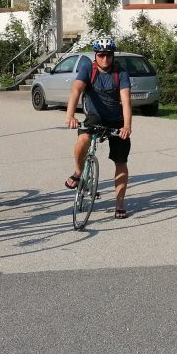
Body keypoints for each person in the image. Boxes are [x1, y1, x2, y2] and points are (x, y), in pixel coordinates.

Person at [65, 35, 133, 218]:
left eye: (108, 55)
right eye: (101, 55)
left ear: (113, 56)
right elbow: (76, 90)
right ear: (96, 55)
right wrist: (70, 115)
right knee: (83, 139)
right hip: (94, 117)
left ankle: (119, 204)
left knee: (121, 161)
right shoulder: (88, 68)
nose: (105, 59)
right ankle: (78, 172)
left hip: (116, 120)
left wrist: (127, 126)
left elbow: (126, 101)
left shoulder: (121, 73)